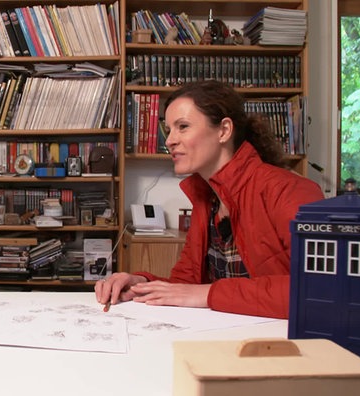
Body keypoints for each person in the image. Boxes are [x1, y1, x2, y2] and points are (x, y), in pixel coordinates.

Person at [95, 80, 324, 319]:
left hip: (282, 346)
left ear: (224, 130)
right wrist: (140, 283)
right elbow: (186, 286)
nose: (169, 140)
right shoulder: (207, 198)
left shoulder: (289, 190)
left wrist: (208, 294)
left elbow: (319, 290)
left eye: (182, 126)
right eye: (169, 129)